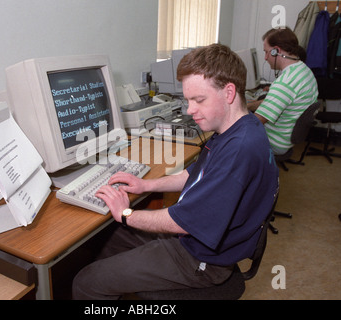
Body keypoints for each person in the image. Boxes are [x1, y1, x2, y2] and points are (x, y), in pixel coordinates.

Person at [72, 44, 279, 300]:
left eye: (198, 100)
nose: (190, 110)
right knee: (112, 239)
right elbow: (196, 174)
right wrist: (146, 185)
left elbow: (181, 221)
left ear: (228, 92)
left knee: (86, 282)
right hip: (198, 239)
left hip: (201, 259)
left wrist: (126, 213)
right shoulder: (239, 128)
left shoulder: (240, 149)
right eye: (187, 100)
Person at [249, 27, 318, 156]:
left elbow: (256, 121)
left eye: (266, 52)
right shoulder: (304, 70)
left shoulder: (285, 82)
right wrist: (248, 105)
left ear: (276, 51)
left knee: (225, 137)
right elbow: (280, 101)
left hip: (274, 142)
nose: (265, 58)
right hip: (287, 137)